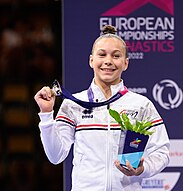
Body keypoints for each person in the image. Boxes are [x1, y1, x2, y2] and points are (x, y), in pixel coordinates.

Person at [34, 25, 170, 191]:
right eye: (102, 54)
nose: (108, 61)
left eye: (116, 56)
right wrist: (47, 115)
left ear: (125, 63)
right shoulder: (74, 104)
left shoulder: (141, 105)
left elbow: (162, 152)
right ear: (91, 60)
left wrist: (143, 168)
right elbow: (56, 155)